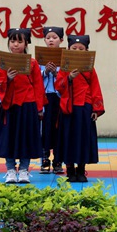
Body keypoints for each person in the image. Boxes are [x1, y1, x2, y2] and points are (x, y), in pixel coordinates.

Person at [0, 28, 47, 184]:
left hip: (28, 104)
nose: (15, 44)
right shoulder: (4, 62)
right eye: (12, 41)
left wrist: (39, 108)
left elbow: (38, 86)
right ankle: (10, 170)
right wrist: (8, 79)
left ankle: (24, 170)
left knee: (26, 137)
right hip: (10, 105)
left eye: (19, 41)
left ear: (26, 44)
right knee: (8, 138)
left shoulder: (33, 63)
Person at [55, 35, 105, 183]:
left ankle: (81, 170)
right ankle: (70, 170)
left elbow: (95, 88)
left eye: (81, 49)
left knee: (83, 139)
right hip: (68, 108)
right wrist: (69, 78)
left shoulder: (90, 69)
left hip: (85, 107)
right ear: (68, 50)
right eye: (74, 48)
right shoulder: (64, 67)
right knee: (68, 138)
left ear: (87, 51)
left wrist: (96, 109)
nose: (77, 51)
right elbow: (59, 86)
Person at [39, 26, 64, 175]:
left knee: (59, 128)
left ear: (61, 40)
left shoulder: (64, 57)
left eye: (54, 38)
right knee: (45, 128)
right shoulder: (40, 57)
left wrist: (56, 74)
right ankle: (44, 158)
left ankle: (58, 160)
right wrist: (45, 72)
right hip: (45, 97)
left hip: (59, 97)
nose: (51, 40)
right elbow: (35, 77)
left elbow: (66, 78)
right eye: (48, 38)